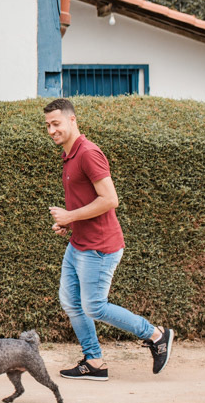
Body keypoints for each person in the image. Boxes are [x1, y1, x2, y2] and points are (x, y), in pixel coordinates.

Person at [44, 98, 174, 380]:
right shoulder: (69, 155)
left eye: (56, 123)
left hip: (99, 248)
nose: (52, 130)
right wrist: (70, 222)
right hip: (79, 243)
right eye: (48, 125)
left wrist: (69, 216)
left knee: (94, 306)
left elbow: (110, 199)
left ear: (72, 120)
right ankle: (94, 362)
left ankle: (156, 335)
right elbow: (87, 201)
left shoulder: (89, 153)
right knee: (71, 302)